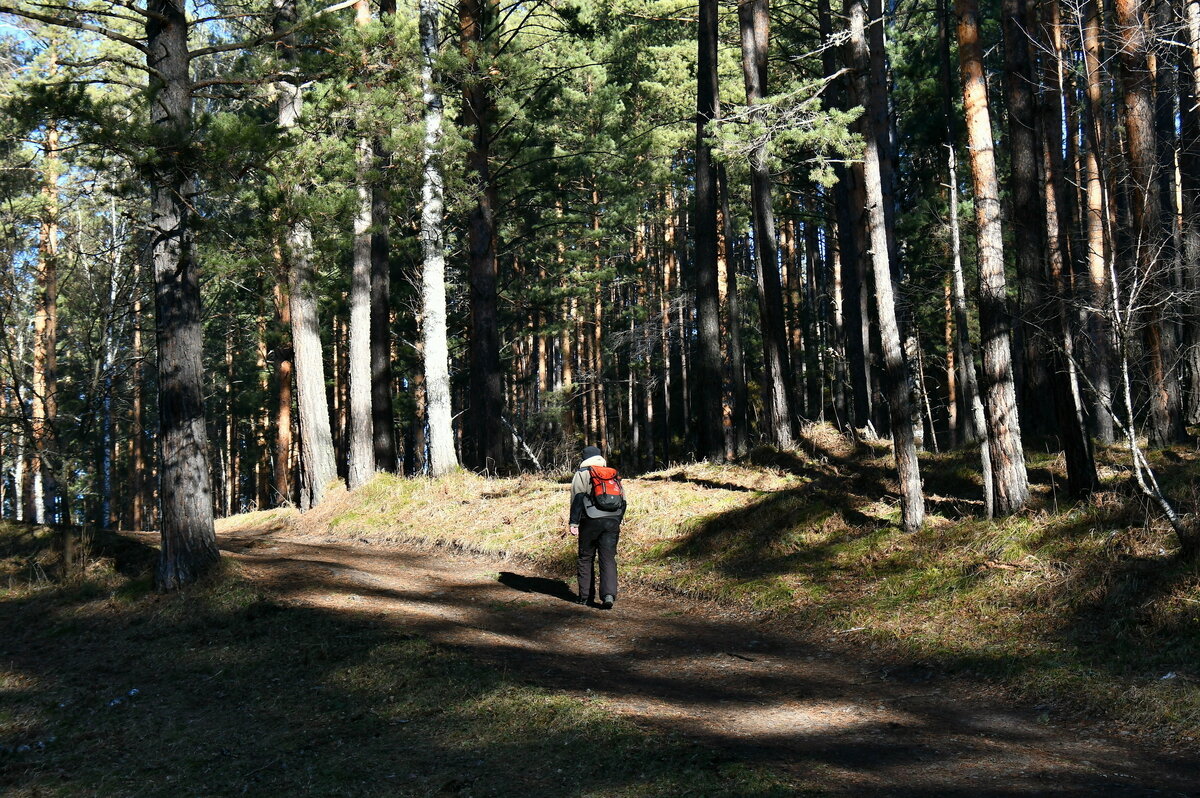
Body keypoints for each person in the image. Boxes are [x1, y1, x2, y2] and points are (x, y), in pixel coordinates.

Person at [568, 445, 625, 609]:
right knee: (608, 557)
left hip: (590, 520)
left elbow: (577, 498)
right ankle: (608, 595)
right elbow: (624, 500)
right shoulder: (612, 474)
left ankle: (585, 597)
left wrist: (574, 522)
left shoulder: (582, 473)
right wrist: (617, 519)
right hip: (612, 520)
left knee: (586, 557)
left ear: (584, 458)